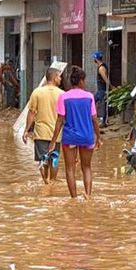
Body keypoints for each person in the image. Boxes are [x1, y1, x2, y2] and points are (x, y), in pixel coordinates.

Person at [47, 66, 102, 198]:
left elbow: (59, 121)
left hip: (70, 137)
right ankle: (88, 195)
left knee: (70, 169)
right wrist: (98, 138)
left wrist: (53, 141)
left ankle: (74, 198)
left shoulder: (64, 97)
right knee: (86, 167)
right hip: (87, 137)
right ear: (81, 81)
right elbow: (94, 120)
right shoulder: (89, 97)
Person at [22, 67, 63, 184]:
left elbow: (31, 113)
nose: (60, 79)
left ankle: (46, 182)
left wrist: (26, 130)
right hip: (57, 134)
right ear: (55, 78)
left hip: (41, 133)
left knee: (43, 159)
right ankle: (52, 181)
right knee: (54, 159)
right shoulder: (62, 94)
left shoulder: (37, 92)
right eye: (59, 76)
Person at [93, 50, 112, 127]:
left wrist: (110, 86)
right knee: (93, 101)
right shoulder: (101, 66)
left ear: (96, 59)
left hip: (102, 89)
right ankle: (103, 120)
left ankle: (104, 121)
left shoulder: (101, 68)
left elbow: (105, 78)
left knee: (102, 104)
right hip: (100, 89)